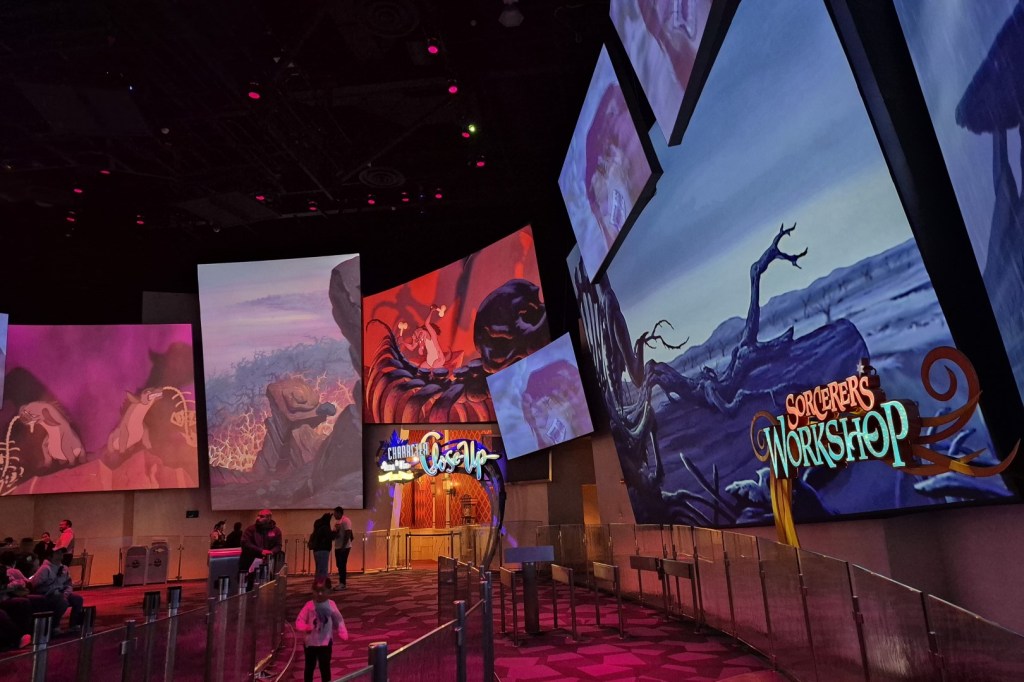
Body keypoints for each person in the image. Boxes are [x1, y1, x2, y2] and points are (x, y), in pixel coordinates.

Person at [294, 578, 348, 682]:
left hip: (325, 642)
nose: (319, 594)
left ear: (329, 591)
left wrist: (342, 631)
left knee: (325, 667)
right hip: (310, 642)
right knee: (309, 666)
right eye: (316, 591)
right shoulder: (309, 605)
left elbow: (338, 619)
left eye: (322, 591)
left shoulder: (331, 605)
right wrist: (305, 627)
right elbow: (299, 620)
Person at [239, 510, 282, 588]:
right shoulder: (250, 529)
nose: (258, 518)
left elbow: (278, 546)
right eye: (258, 516)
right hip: (250, 563)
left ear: (269, 518)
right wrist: (260, 551)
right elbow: (245, 543)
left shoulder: (276, 531)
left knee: (267, 586)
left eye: (261, 516)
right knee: (249, 586)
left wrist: (271, 552)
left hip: (268, 563)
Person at [309, 513, 337, 583]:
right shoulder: (325, 527)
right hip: (323, 550)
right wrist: (335, 531)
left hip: (316, 550)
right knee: (323, 569)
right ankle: (321, 585)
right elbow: (330, 536)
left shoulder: (318, 526)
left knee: (319, 568)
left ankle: (317, 583)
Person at [332, 507, 353, 591]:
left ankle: (343, 583)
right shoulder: (337, 522)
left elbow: (348, 533)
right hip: (338, 546)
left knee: (342, 564)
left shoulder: (346, 520)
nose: (334, 515)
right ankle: (341, 582)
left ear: (339, 513)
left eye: (335, 513)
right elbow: (334, 535)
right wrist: (335, 532)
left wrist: (343, 546)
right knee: (338, 564)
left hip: (344, 547)